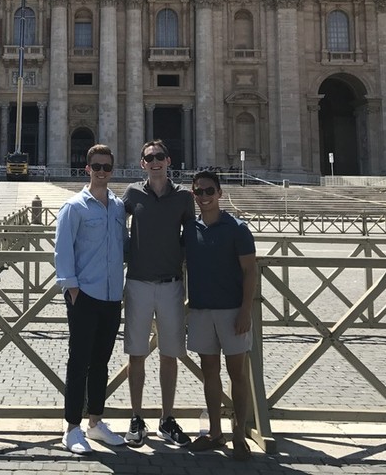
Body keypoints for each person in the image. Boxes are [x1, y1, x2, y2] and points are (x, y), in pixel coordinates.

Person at [54, 144, 128, 454]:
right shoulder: (74, 206)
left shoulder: (118, 207)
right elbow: (62, 248)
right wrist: (71, 288)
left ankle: (95, 423)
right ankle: (72, 427)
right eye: (96, 166)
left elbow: (124, 244)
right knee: (79, 361)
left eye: (106, 167)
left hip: (112, 296)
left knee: (101, 362)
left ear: (112, 169)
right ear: (87, 169)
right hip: (85, 295)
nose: (101, 171)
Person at [121, 140, 195, 448]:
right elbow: (114, 228)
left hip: (170, 284)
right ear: (142, 163)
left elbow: (192, 239)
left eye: (160, 156)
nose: (155, 161)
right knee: (136, 353)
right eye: (149, 157)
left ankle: (167, 418)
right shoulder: (132, 194)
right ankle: (136, 417)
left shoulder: (184, 198)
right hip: (138, 283)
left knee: (170, 354)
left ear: (168, 160)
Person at [185, 170, 257, 461]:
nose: (204, 196)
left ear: (219, 193)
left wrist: (245, 311)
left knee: (237, 374)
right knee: (209, 373)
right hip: (202, 310)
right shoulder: (190, 229)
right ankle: (215, 432)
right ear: (193, 195)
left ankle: (238, 434)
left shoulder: (237, 228)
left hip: (231, 312)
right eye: (199, 192)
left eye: (209, 191)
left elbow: (250, 270)